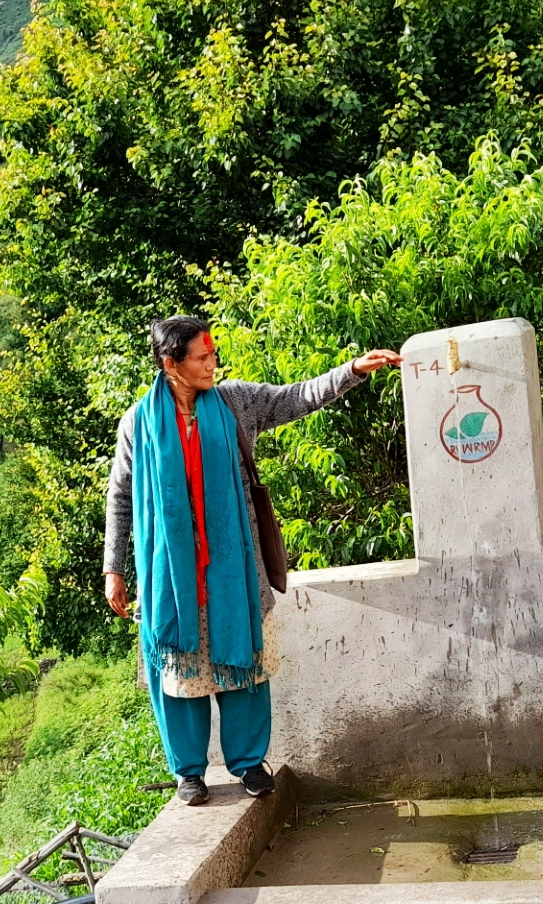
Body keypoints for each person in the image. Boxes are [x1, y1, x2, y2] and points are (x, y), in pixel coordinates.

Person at [103, 316, 402, 805]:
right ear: (170, 364)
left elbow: (297, 396)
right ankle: (189, 773)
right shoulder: (138, 423)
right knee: (181, 671)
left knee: (241, 662)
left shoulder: (234, 402)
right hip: (173, 577)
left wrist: (353, 370)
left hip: (233, 569)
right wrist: (113, 568)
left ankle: (248, 763)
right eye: (202, 357)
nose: (212, 364)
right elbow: (120, 498)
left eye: (212, 353)